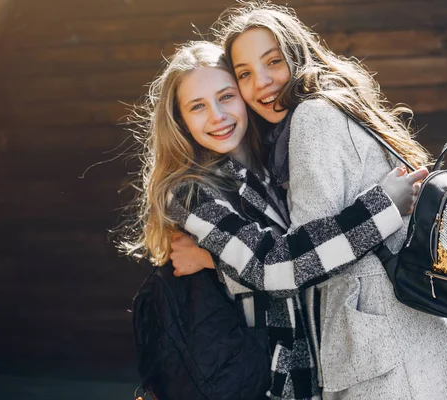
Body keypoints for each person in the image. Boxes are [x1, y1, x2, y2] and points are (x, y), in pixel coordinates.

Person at [173, 2, 447, 399]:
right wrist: (221, 259)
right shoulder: (319, 117)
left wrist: (215, 260)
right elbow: (300, 254)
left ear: (298, 55)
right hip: (403, 335)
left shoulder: (310, 119)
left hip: (379, 345)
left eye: (273, 62)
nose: (262, 83)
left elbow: (301, 260)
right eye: (246, 74)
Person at [120, 40, 427, 399]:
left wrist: (217, 263)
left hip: (323, 372)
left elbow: (307, 253)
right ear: (181, 121)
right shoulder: (190, 193)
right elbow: (273, 267)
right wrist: (382, 208)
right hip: (261, 382)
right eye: (198, 106)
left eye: (226, 97)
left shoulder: (278, 163)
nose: (217, 116)